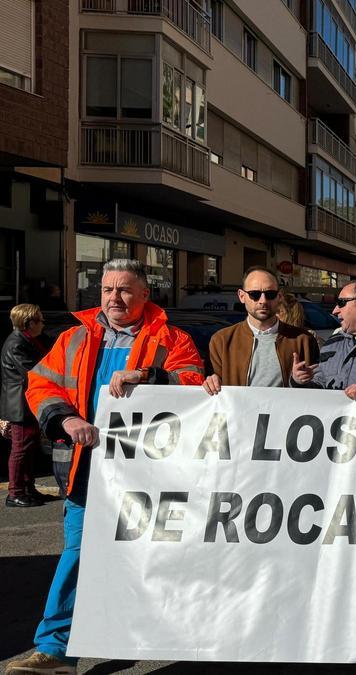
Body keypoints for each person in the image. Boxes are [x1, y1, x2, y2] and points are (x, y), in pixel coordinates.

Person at [11, 259, 203, 675]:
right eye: (107, 290)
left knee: (159, 557)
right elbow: (40, 384)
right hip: (87, 468)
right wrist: (66, 419)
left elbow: (194, 385)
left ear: (145, 295)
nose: (114, 297)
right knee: (77, 555)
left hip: (151, 474)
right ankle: (55, 650)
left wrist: (150, 375)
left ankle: (174, 635)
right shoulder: (75, 337)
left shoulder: (173, 339)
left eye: (125, 290)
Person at [202, 267, 319, 394]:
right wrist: (210, 382)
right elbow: (209, 389)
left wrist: (299, 382)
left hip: (286, 413)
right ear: (242, 296)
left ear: (279, 296)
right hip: (239, 413)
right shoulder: (221, 340)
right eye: (255, 294)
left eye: (270, 294)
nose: (263, 301)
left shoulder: (304, 340)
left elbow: (320, 390)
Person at [2, 304, 51, 507]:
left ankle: (28, 488)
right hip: (19, 405)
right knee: (21, 449)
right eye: (40, 320)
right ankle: (15, 492)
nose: (43, 324)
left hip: (28, 402)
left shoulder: (27, 340)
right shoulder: (16, 344)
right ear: (29, 323)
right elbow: (33, 371)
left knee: (30, 448)